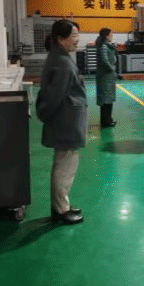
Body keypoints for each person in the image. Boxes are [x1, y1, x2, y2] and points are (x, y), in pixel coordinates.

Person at [35, 19, 86, 225]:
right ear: (60, 39)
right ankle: (61, 210)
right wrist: (45, 115)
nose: (77, 39)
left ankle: (61, 204)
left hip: (66, 120)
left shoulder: (60, 57)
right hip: (66, 122)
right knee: (64, 167)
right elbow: (54, 97)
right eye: (74, 36)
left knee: (64, 164)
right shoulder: (63, 62)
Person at [95, 27, 118, 128]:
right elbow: (105, 62)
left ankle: (108, 119)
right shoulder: (104, 47)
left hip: (108, 77)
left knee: (108, 99)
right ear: (106, 36)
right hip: (105, 77)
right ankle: (105, 121)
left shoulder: (106, 46)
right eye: (111, 34)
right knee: (105, 100)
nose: (112, 36)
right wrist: (112, 68)